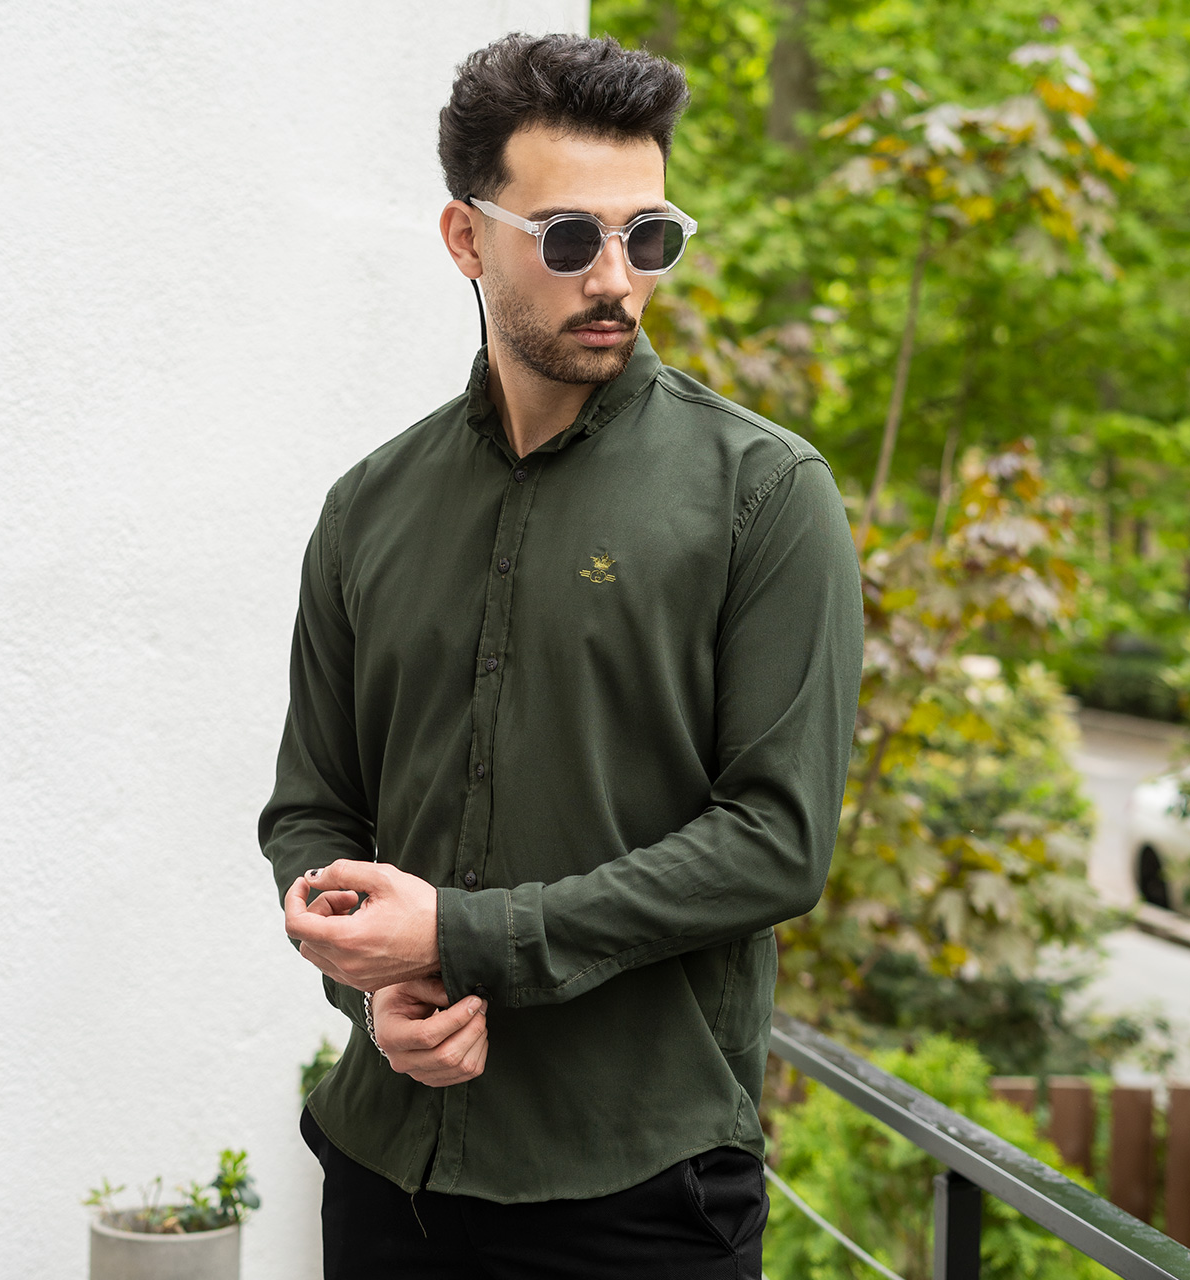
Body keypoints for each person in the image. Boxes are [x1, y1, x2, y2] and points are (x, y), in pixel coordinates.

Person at [260, 31, 863, 1280]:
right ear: (465, 238)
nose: (617, 280)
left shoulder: (763, 494)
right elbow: (314, 808)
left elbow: (775, 839)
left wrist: (462, 934)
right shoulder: (366, 507)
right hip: (387, 1175)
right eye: (571, 236)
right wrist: (372, 989)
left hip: (639, 1194)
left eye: (649, 237)